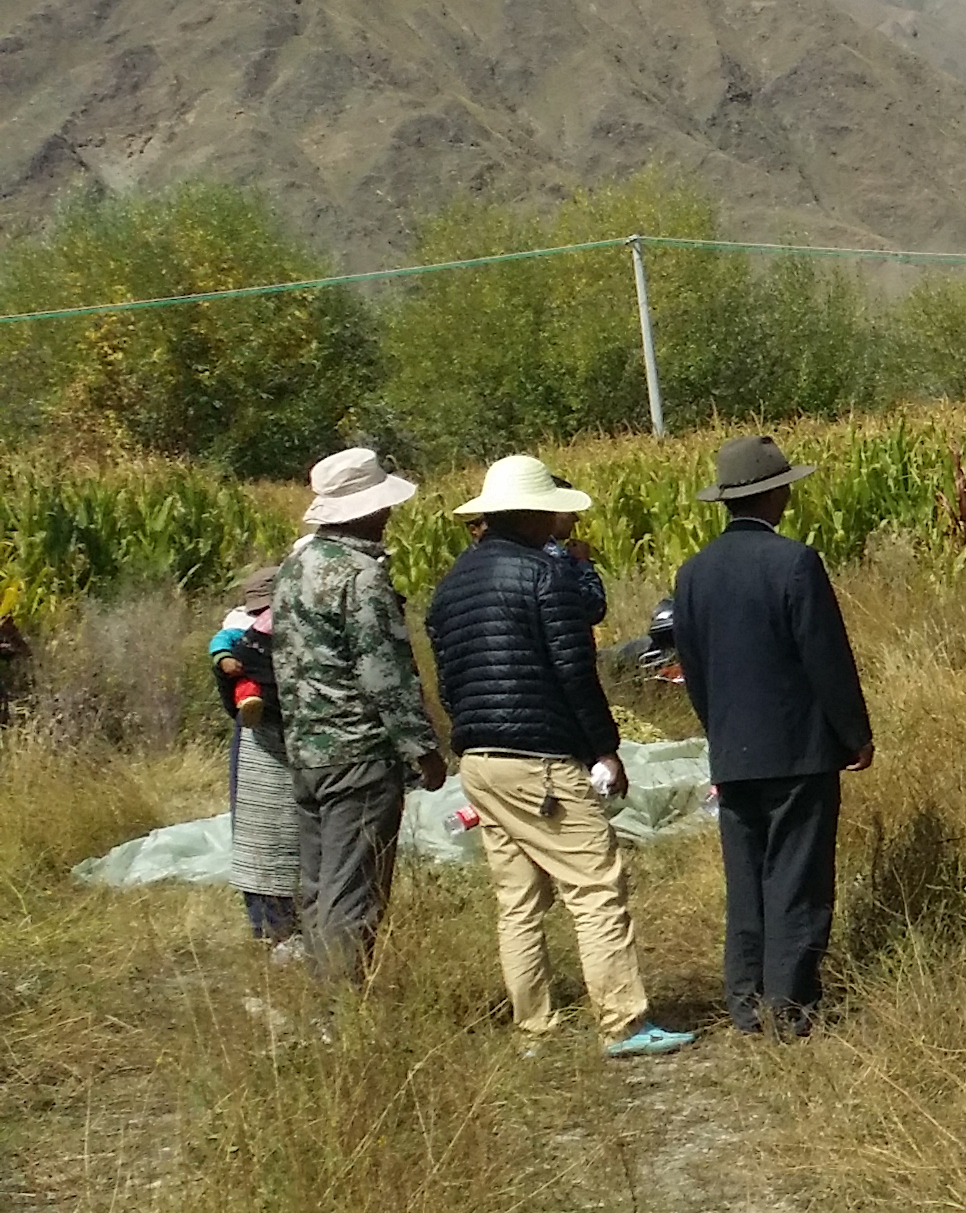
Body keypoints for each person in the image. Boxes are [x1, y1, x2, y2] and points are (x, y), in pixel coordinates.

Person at [425, 455, 694, 1059]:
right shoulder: (550, 578)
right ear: (535, 511)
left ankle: (534, 1025)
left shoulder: (450, 588)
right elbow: (576, 673)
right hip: (539, 756)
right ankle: (624, 1022)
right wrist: (605, 749)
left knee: (518, 899)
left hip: (479, 758)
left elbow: (446, 682)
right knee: (594, 885)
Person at [668, 435, 871, 1039]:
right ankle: (791, 1005)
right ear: (775, 493)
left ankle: (745, 1003)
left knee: (748, 877)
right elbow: (825, 660)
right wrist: (854, 734)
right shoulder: (794, 563)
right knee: (797, 877)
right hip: (799, 750)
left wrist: (720, 733)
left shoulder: (693, 573)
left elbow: (694, 671)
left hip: (733, 750)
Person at [269, 449, 442, 979]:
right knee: (355, 892)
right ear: (368, 509)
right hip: (357, 753)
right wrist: (422, 747)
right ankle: (342, 1015)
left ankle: (323, 1002)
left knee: (322, 886)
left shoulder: (295, 567)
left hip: (307, 752)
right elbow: (382, 672)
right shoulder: (359, 575)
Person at [209, 564, 302, 946]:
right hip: (266, 737)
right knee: (267, 837)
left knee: (270, 837)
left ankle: (275, 930)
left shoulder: (266, 631)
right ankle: (274, 930)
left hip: (267, 734)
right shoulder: (248, 633)